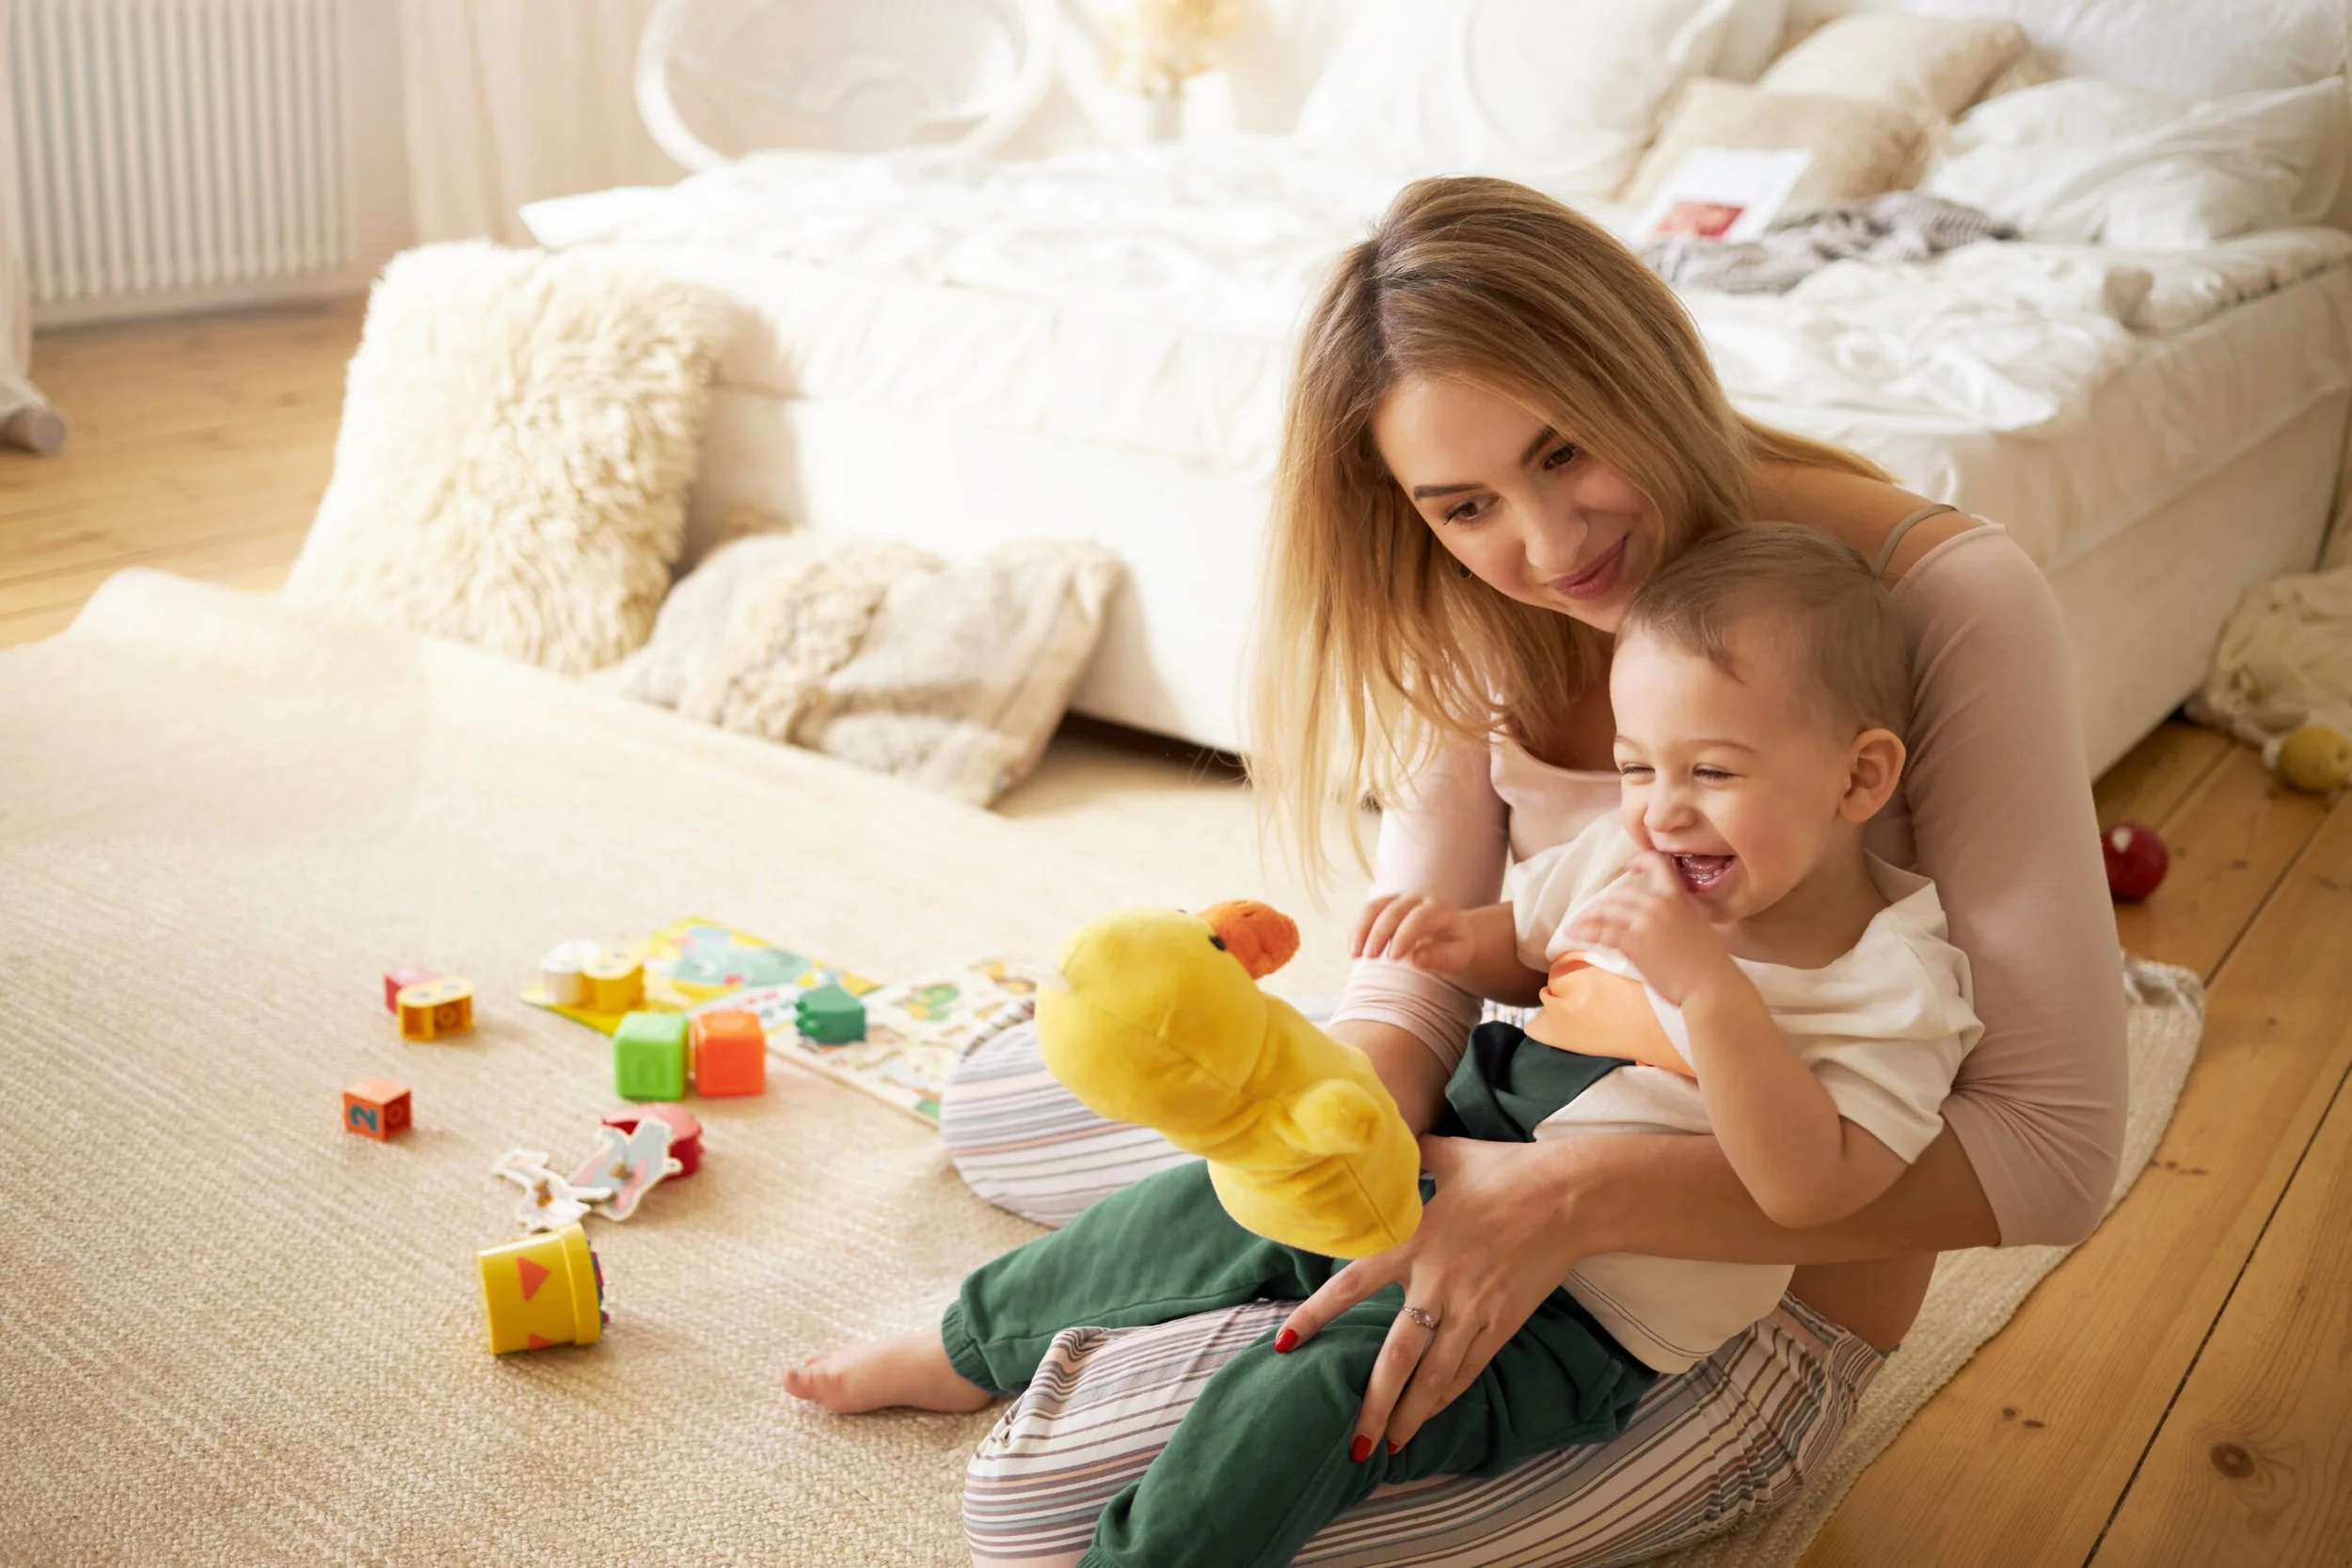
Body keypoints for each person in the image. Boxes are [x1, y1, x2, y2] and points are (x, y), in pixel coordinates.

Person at [931, 174, 2127, 1567]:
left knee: (1029, 1510)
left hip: (1711, 1310)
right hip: (1501, 1123)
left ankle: (1257, 1332)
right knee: (999, 1100)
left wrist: (1563, 1200)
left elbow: (2055, 1158)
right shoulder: (1479, 590)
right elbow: (1422, 972)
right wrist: (1363, 1107)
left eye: (1568, 451)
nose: (1551, 548)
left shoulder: (1933, 601)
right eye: (1466, 502)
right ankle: (1263, 1295)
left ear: (1645, 368)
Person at [787, 526, 1985, 1568]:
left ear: (1857, 776)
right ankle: (967, 1342)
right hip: (1430, 1159)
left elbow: (1812, 1187)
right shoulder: (1634, 856)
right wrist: (1458, 941)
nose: (1662, 809)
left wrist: (1707, 991)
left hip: (1580, 1316)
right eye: (1636, 768)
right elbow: (1532, 947)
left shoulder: (1891, 978)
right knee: (1203, 1202)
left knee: (1317, 1393)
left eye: (1711, 772)